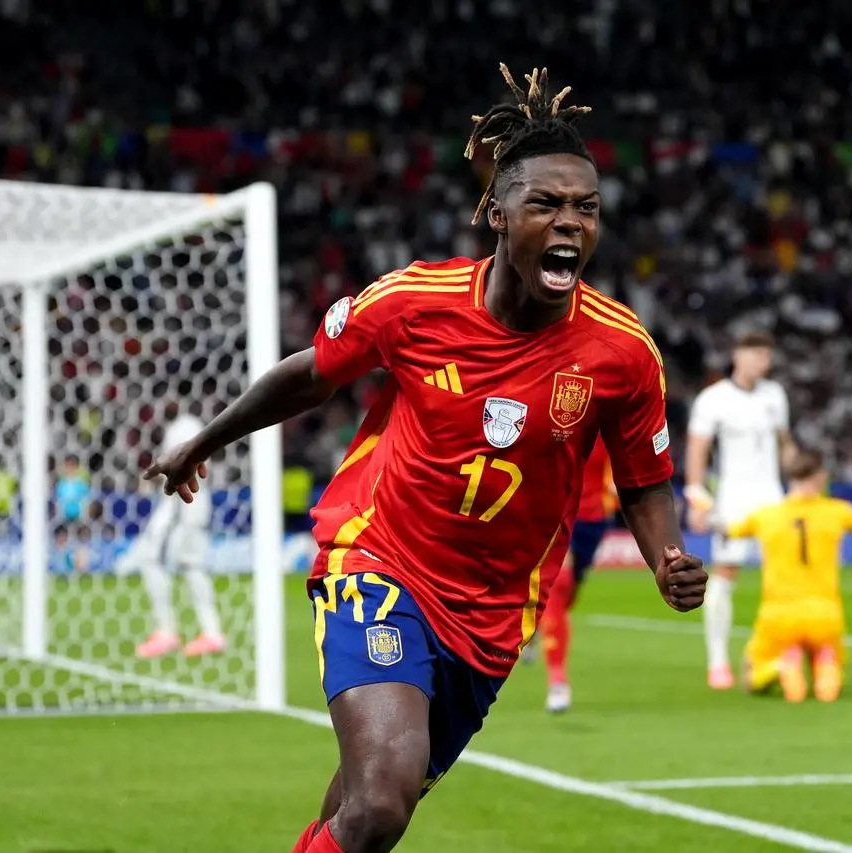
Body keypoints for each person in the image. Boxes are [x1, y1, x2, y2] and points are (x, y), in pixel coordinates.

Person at [144, 64, 708, 853]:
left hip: (492, 613)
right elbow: (308, 374)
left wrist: (666, 556)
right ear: (497, 214)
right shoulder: (411, 302)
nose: (570, 223)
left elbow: (644, 478)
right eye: (546, 204)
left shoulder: (621, 352)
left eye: (587, 208)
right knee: (380, 803)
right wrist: (203, 441)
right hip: (378, 562)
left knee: (356, 812)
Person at [713, 449, 852, 703]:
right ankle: (826, 666)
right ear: (820, 478)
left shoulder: (766, 515)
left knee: (751, 677)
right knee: (828, 651)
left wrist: (705, 512)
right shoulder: (835, 512)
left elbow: (725, 529)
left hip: (778, 615)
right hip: (825, 615)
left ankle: (781, 667)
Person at [684, 331, 796, 690]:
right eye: (755, 354)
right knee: (726, 572)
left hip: (773, 496)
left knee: (783, 577)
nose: (761, 361)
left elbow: (784, 444)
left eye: (766, 355)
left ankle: (779, 652)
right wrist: (696, 494)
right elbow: (698, 449)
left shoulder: (775, 395)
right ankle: (717, 660)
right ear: (737, 355)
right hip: (733, 496)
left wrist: (800, 481)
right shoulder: (714, 399)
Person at [121, 402, 225, 659]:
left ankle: (166, 632)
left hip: (181, 505)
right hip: (197, 504)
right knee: (191, 565)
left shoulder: (181, 428)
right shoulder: (194, 425)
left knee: (149, 557)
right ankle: (211, 633)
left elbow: (179, 466)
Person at [541, 439, 617, 713]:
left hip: (593, 518)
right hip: (555, 512)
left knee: (567, 594)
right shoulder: (557, 413)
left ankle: (536, 623)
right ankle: (558, 680)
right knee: (559, 583)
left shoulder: (606, 416)